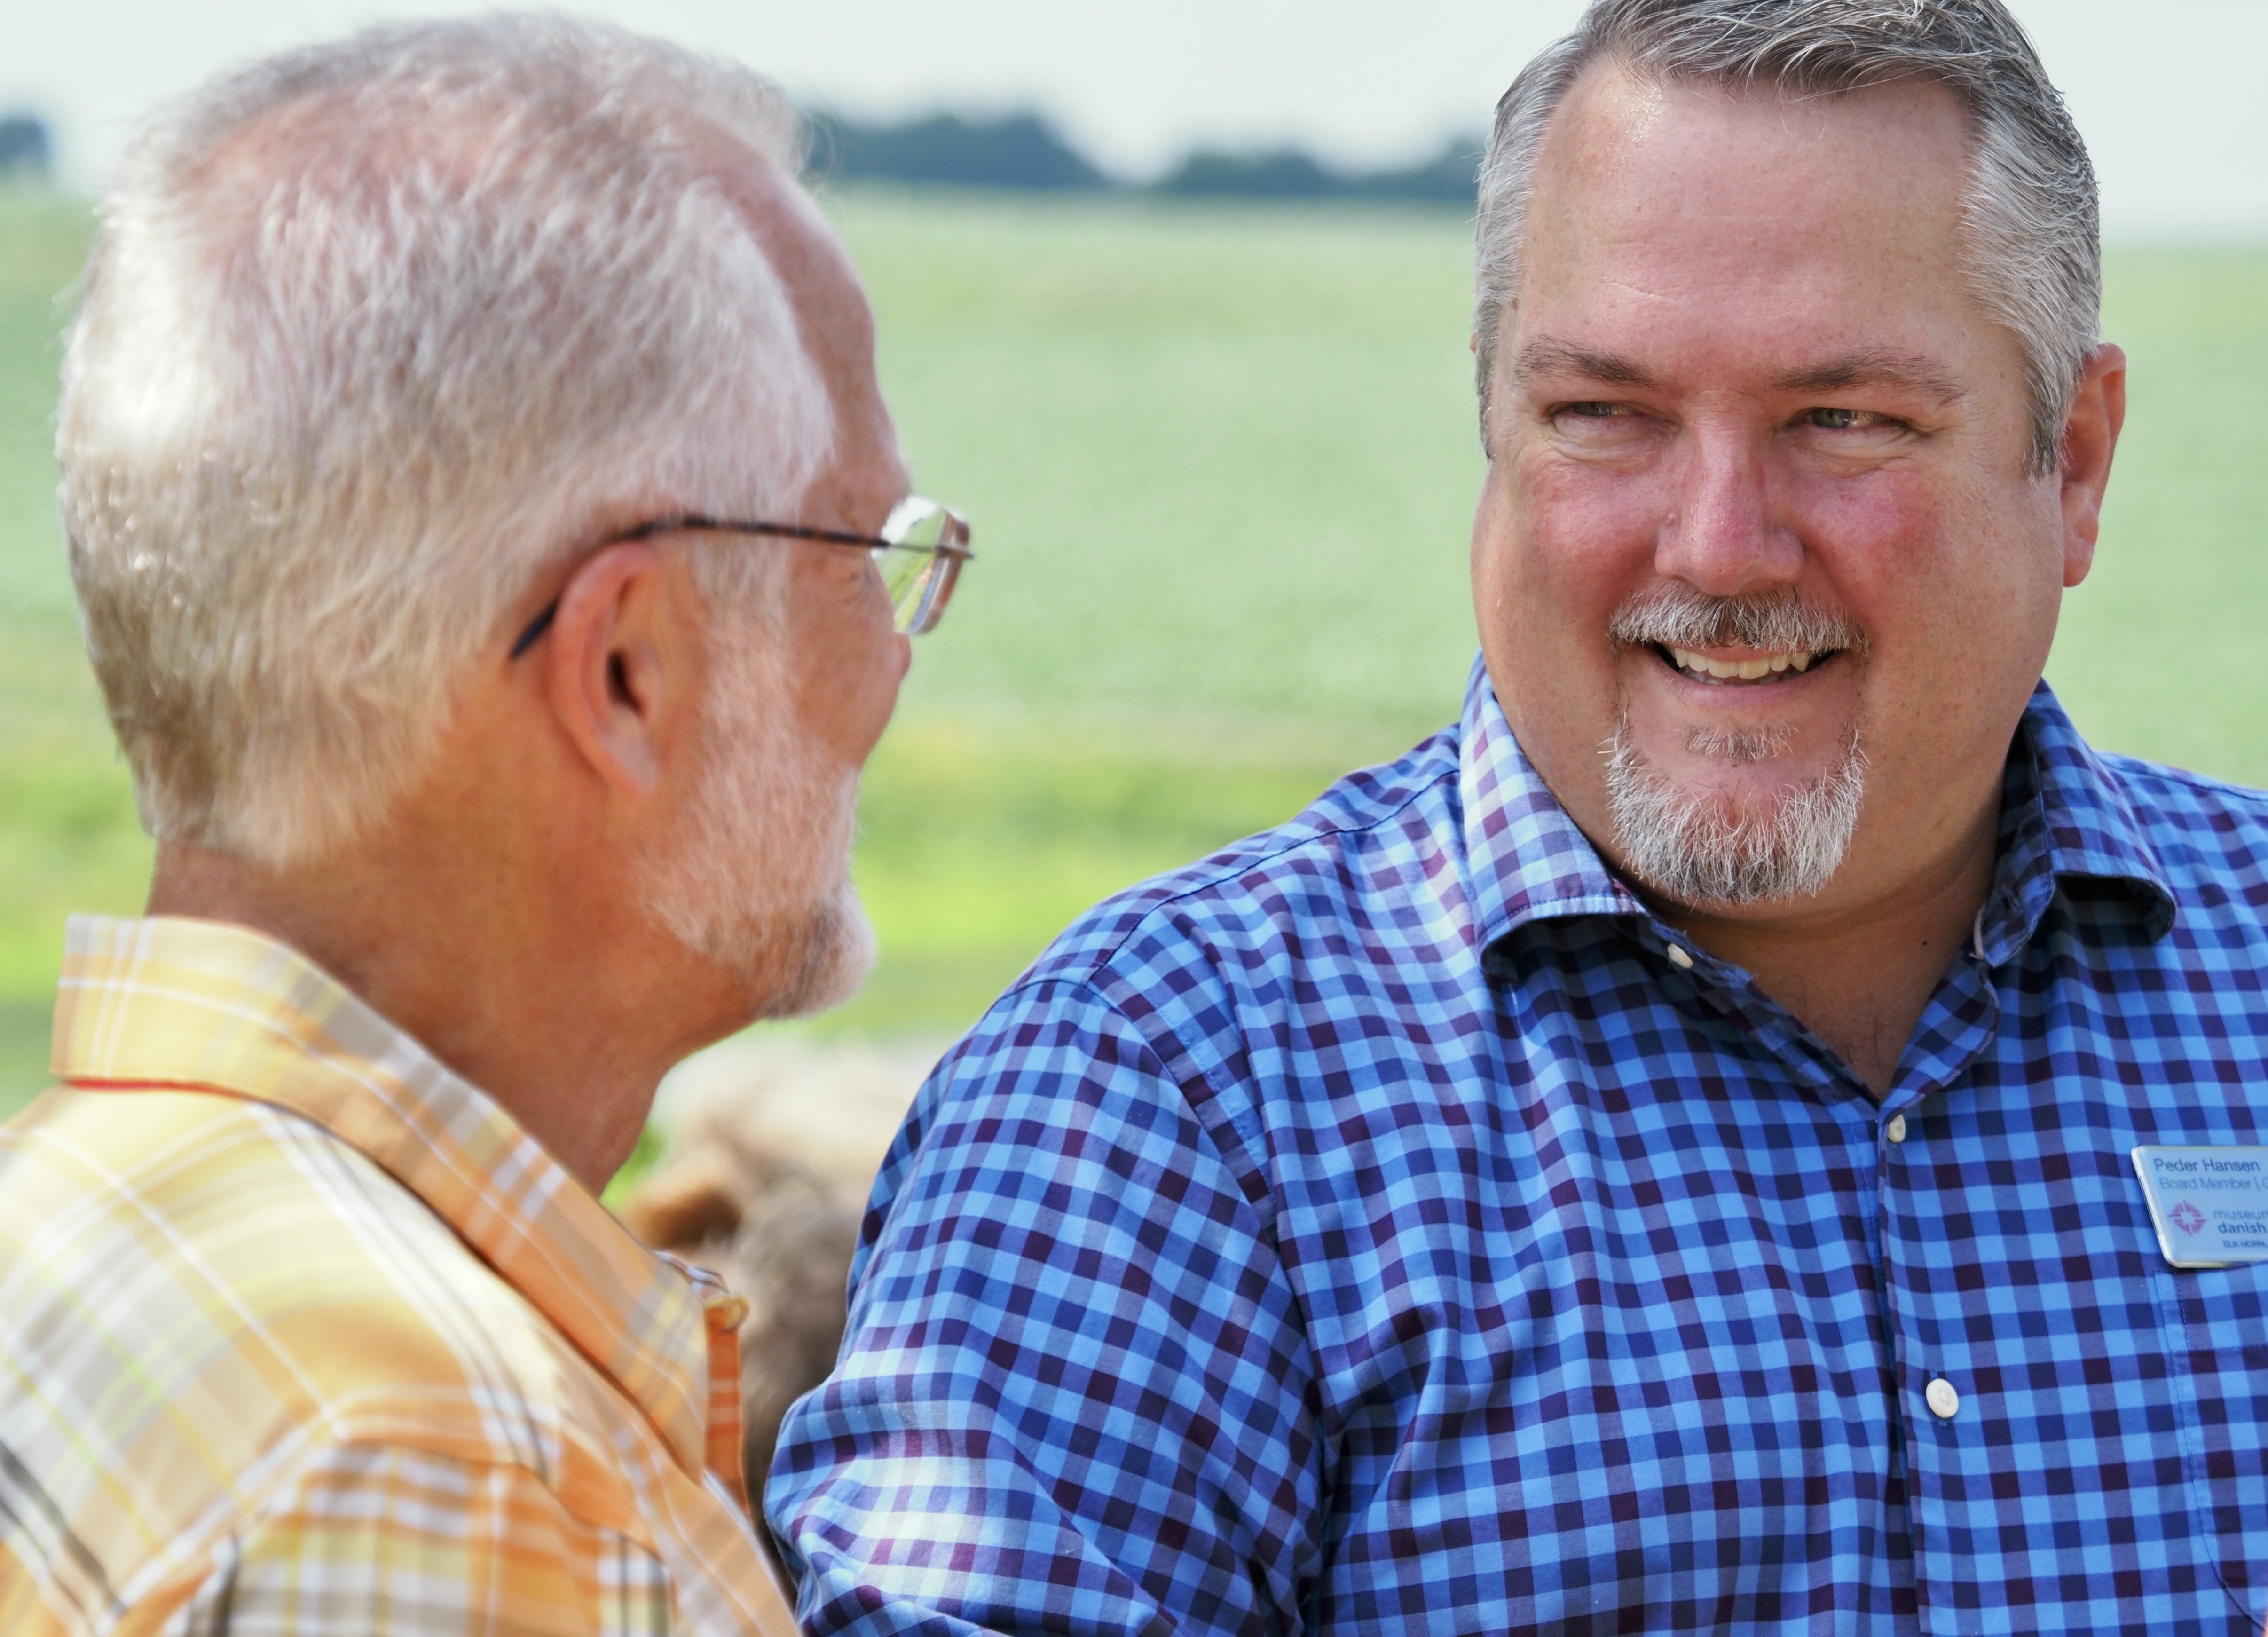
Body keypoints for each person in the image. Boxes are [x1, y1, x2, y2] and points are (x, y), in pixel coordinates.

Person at [770, 0, 2268, 1631]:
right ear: (1493, 424)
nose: (1718, 547)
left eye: (1843, 420)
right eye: (1602, 415)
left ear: (2082, 464)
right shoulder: (1165, 1108)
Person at [0, 16, 969, 1633]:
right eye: (866, 557)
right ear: (625, 669)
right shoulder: (430, 1464)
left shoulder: (80, 1222)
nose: (893, 650)